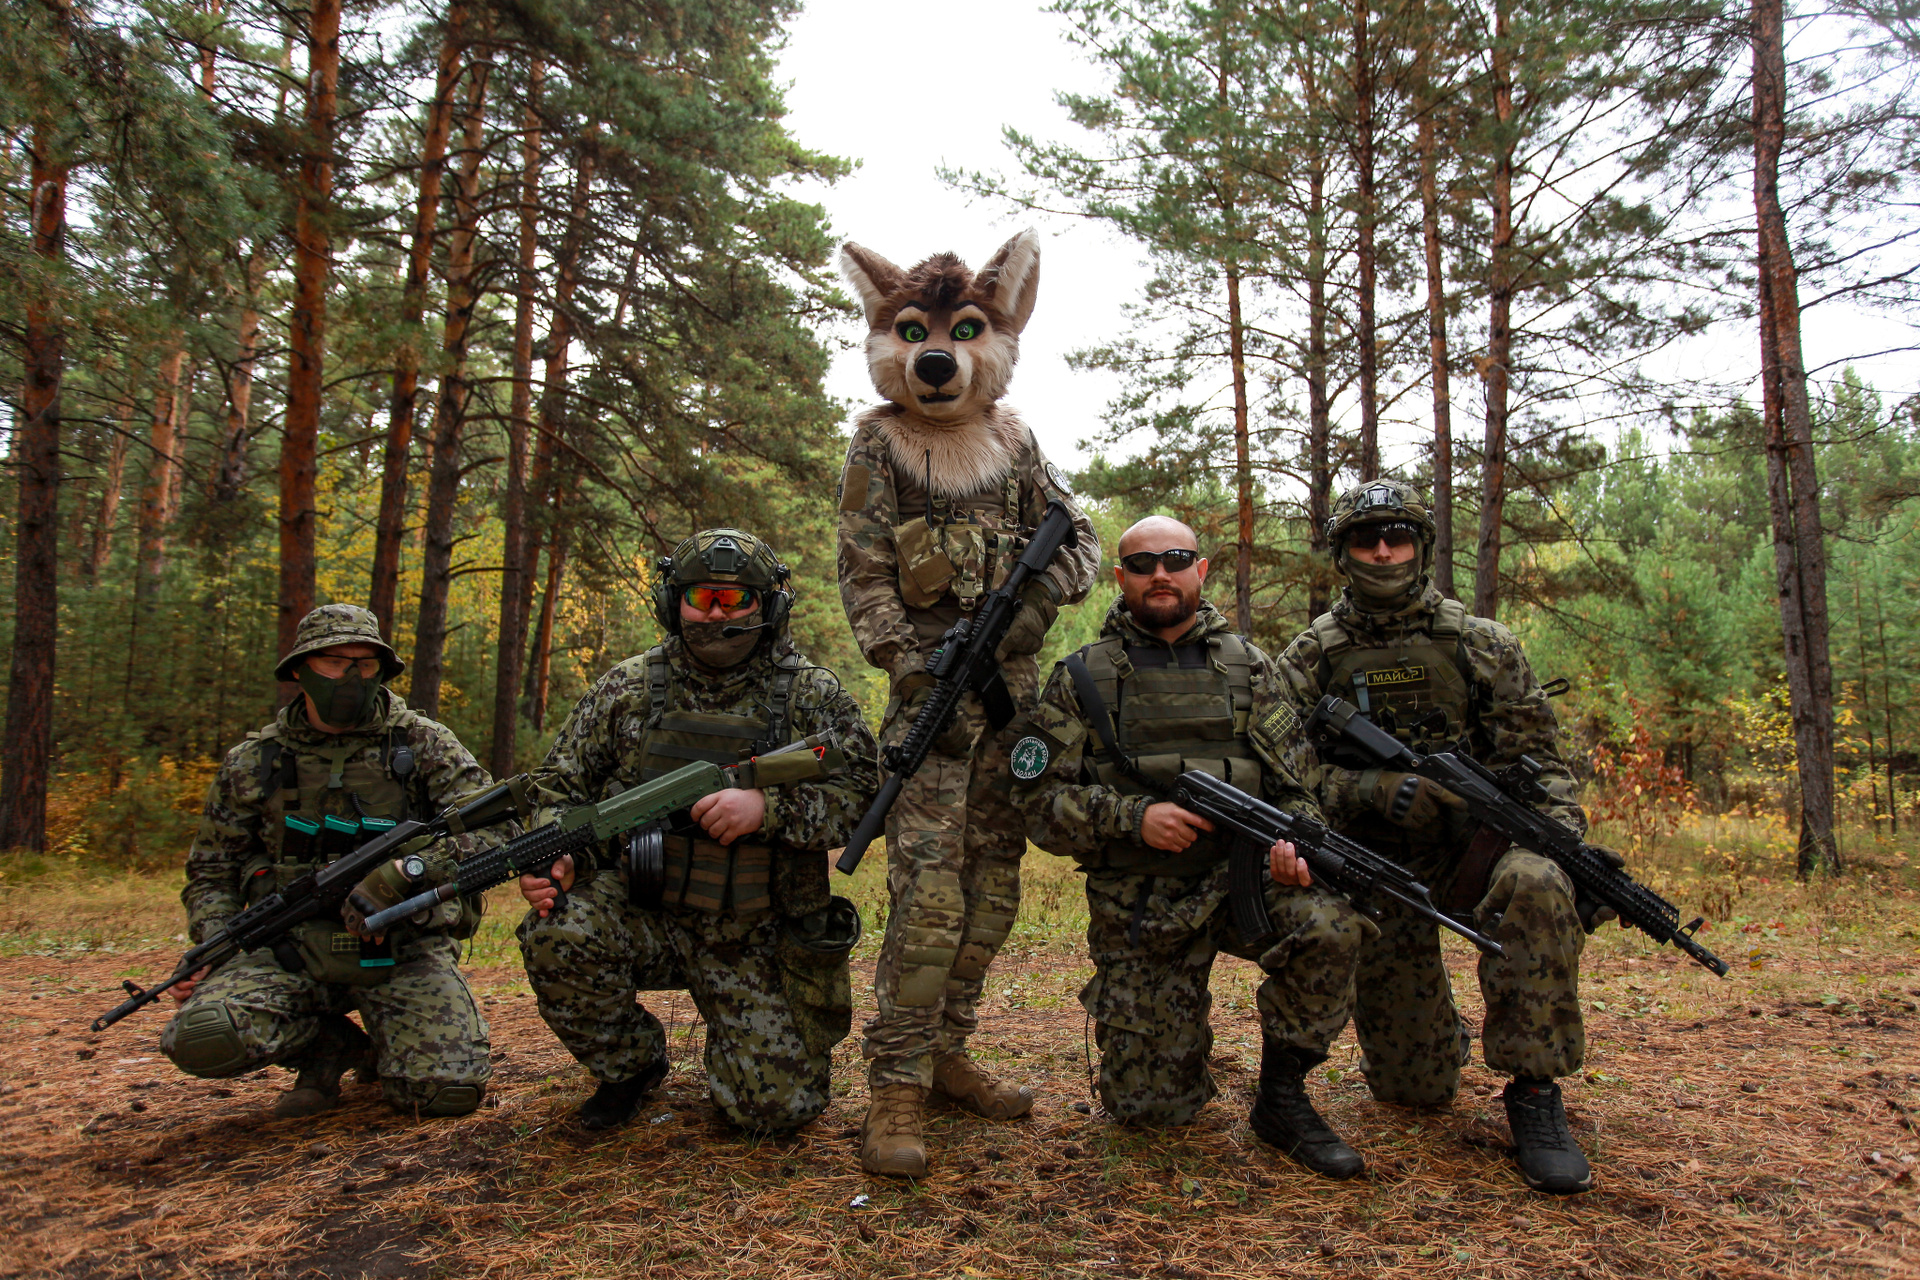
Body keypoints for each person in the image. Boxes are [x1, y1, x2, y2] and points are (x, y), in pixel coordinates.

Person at [1272, 479, 1609, 1195]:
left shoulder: (1482, 643)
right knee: (1414, 1092)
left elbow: (1541, 764)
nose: (1383, 550)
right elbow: (1283, 779)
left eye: (1398, 536)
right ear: (1343, 552)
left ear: (1421, 548)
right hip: (1374, 863)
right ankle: (1435, 1035)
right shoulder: (1309, 658)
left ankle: (1535, 1091)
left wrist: (1565, 841)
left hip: (1474, 850)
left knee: (1539, 880)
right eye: (1367, 538)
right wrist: (1372, 790)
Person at [1010, 516, 1373, 1178]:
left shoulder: (1251, 667)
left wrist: (1293, 841)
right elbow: (1036, 805)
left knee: (1331, 926)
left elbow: (1300, 787)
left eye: (1176, 560)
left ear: (1200, 571)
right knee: (1150, 1111)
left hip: (1245, 884)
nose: (1160, 574)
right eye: (1142, 564)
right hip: (1142, 903)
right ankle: (1174, 1048)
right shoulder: (1082, 677)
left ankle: (1282, 1097)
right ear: (1120, 578)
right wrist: (1133, 817)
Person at [515, 529, 879, 1135]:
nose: (716, 614)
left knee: (773, 1113)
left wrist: (767, 809)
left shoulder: (811, 695)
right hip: (647, 913)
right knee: (558, 932)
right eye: (701, 597)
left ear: (767, 606)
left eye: (734, 600)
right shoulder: (627, 688)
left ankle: (744, 1048)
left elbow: (868, 791)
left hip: (758, 934)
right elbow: (557, 787)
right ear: (672, 602)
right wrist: (560, 854)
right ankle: (630, 1066)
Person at [160, 604, 505, 1120]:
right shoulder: (253, 762)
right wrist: (216, 944)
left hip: (401, 946)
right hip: (287, 951)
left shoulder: (424, 744)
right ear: (300, 671)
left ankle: (394, 1046)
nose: (350, 677)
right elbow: (212, 871)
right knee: (203, 1037)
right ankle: (329, 1048)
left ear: (381, 670)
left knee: (445, 1093)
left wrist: (411, 872)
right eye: (334, 662)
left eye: (364, 664)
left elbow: (497, 828)